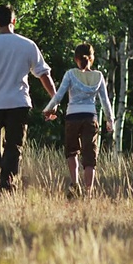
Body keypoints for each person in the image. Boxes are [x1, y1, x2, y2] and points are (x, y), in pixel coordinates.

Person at [0, 4, 57, 193]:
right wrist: (54, 99)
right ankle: (7, 180)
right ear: (14, 21)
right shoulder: (27, 44)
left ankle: (3, 180)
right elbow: (44, 74)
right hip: (19, 103)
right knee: (14, 145)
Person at [43, 43, 114, 199]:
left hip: (72, 117)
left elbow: (59, 95)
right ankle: (89, 193)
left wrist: (48, 109)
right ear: (92, 58)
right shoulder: (99, 76)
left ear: (76, 58)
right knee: (89, 157)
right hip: (90, 118)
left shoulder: (70, 74)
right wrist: (110, 121)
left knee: (72, 151)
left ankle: (75, 184)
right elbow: (105, 101)